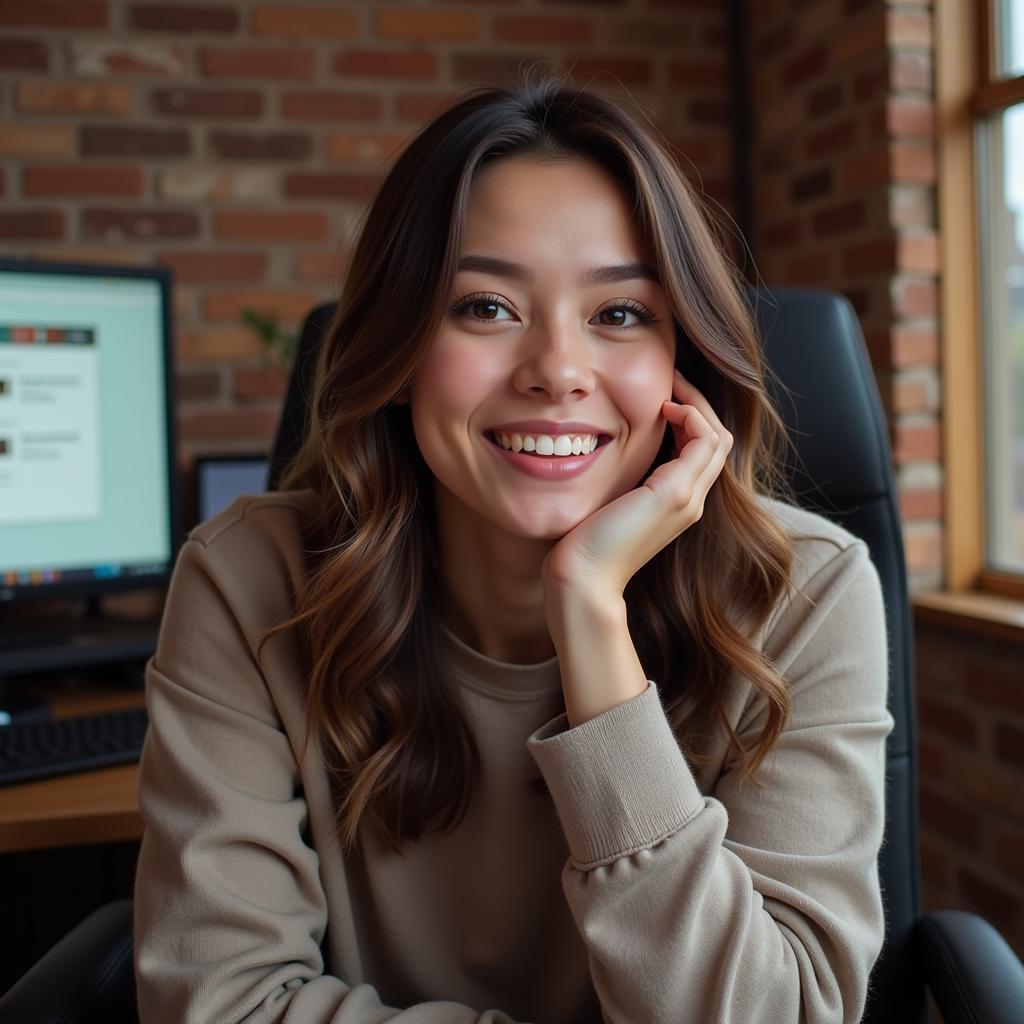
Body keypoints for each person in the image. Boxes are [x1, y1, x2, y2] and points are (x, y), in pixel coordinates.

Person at [133, 65, 896, 1024]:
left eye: (619, 314)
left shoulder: (806, 591)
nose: (558, 372)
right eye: (486, 306)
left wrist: (589, 612)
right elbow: (219, 1002)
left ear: (681, 361)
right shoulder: (250, 581)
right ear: (402, 351)